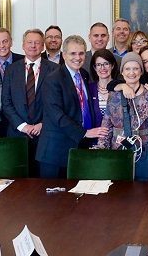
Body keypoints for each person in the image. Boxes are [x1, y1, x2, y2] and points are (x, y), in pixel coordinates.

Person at [36, 35, 108, 178]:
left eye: (81, 53)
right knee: (52, 192)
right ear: (64, 55)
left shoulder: (84, 75)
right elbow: (57, 115)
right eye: (73, 53)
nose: (77, 57)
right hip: (56, 152)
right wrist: (84, 132)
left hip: (79, 147)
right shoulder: (53, 79)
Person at [96, 52, 148, 181]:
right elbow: (106, 124)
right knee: (119, 185)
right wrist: (101, 147)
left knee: (143, 187)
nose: (131, 73)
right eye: (127, 69)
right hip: (118, 148)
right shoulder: (114, 95)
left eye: (135, 68)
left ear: (141, 71)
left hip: (145, 149)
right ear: (122, 72)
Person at [1, 29, 59, 177]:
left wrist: (42, 124)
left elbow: (57, 103)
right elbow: (6, 102)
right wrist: (22, 126)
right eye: (29, 42)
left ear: (43, 46)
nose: (33, 46)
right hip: (17, 134)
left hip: (45, 133)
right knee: (17, 181)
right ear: (23, 45)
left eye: (37, 42)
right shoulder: (11, 69)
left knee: (43, 180)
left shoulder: (55, 70)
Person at [89, 49, 120, 128]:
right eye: (98, 64)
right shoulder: (89, 89)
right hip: (95, 135)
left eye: (106, 64)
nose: (102, 68)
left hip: (118, 135)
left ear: (112, 65)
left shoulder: (121, 87)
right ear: (94, 68)